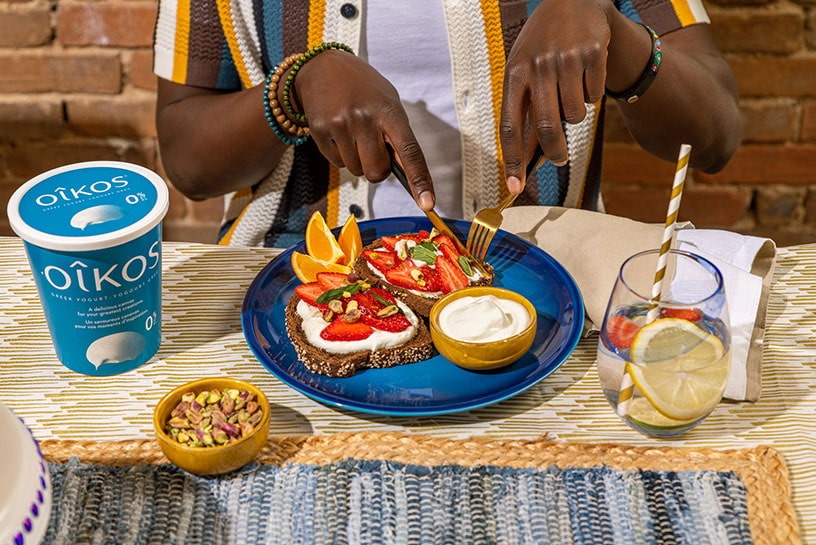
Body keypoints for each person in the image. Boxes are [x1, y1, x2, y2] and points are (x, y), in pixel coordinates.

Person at [152, 0, 741, 248]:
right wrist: (293, 88)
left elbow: (715, 132)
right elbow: (187, 159)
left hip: (547, 291)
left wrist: (611, 26)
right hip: (295, 289)